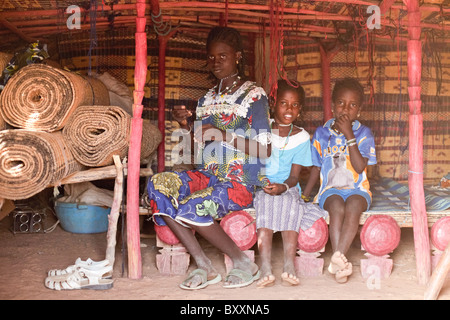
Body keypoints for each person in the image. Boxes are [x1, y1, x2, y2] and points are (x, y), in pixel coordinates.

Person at [147, 26, 272, 290]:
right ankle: (204, 264)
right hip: (208, 176)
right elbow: (199, 150)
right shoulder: (206, 99)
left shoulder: (254, 95)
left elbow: (265, 150)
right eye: (211, 57)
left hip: (239, 182)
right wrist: (184, 126)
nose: (215, 62)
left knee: (193, 206)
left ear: (237, 56)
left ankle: (242, 262)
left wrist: (222, 134)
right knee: (157, 186)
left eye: (222, 56)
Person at [302, 78, 377, 283]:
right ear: (333, 106)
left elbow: (360, 167)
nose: (346, 109)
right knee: (336, 206)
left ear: (359, 110)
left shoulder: (364, 133)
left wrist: (349, 135)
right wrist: (305, 195)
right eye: (341, 103)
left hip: (358, 189)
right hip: (330, 189)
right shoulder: (321, 133)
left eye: (352, 105)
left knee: (353, 206)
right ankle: (340, 259)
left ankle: (337, 260)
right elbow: (316, 167)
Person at [255, 79, 327, 288]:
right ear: (273, 104)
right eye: (283, 103)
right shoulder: (262, 129)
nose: (289, 109)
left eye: (295, 105)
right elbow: (253, 165)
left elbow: (295, 177)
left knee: (291, 206)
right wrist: (265, 185)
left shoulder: (301, 137)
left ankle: (289, 264)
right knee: (265, 205)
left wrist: (283, 187)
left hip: (288, 186)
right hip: (263, 185)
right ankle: (266, 267)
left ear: (300, 109)